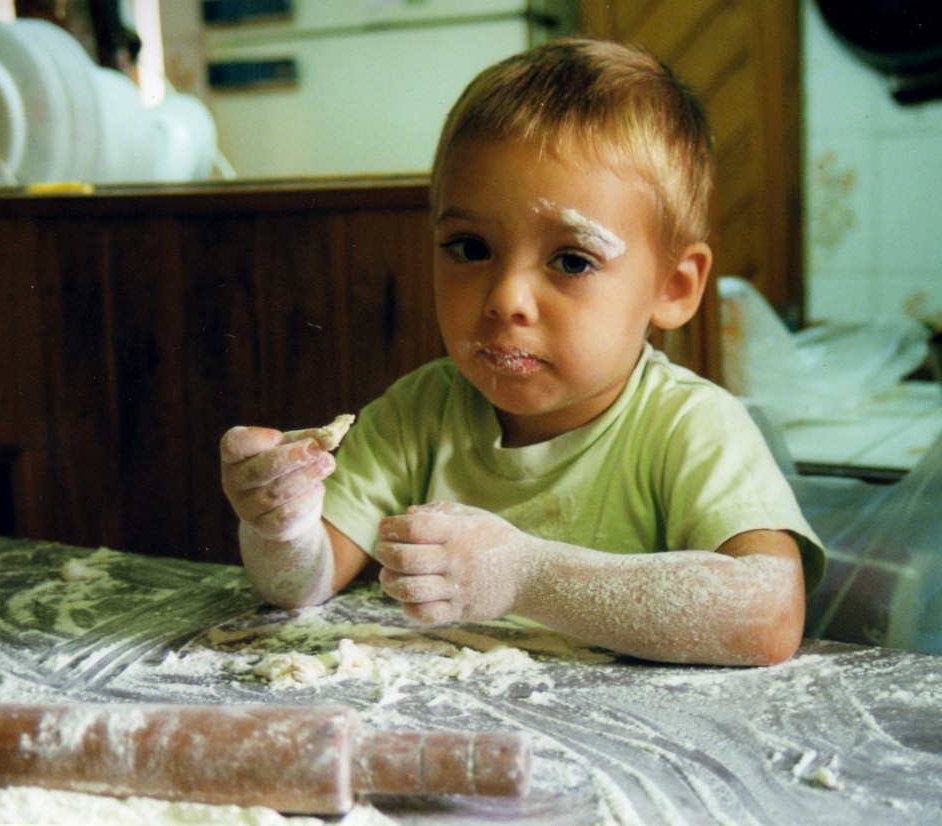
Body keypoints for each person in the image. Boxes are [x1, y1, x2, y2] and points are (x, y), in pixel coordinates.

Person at [220, 39, 824, 667]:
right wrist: (278, 527)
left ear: (673, 287)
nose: (506, 298)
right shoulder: (419, 414)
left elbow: (768, 614)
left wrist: (524, 575)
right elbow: (301, 584)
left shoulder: (691, 428)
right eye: (470, 248)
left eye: (571, 259)